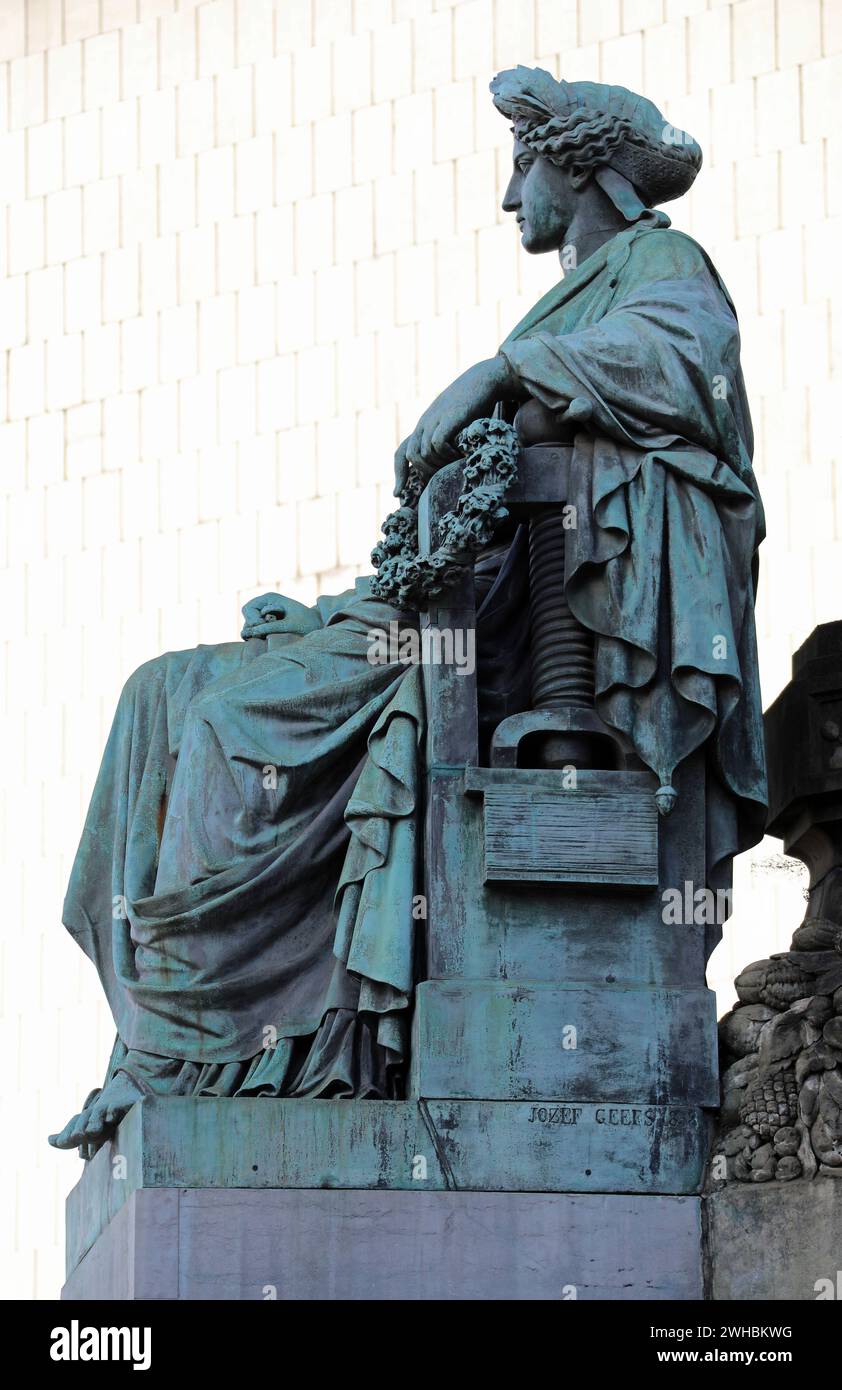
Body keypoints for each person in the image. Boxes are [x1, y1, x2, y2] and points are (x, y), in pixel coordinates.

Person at [51, 67, 767, 1156]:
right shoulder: (583, 294)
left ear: (573, 166)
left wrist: (496, 372)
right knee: (158, 695)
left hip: (487, 653)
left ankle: (221, 1049)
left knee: (226, 726)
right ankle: (160, 1043)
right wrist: (336, 608)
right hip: (438, 613)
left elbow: (685, 374)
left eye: (519, 164)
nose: (505, 195)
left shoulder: (661, 267)